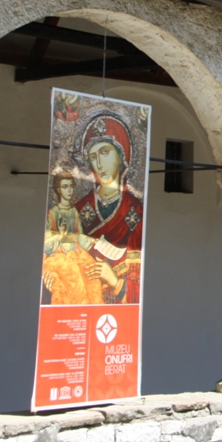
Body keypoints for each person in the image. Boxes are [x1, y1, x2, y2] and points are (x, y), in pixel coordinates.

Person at [73, 114, 144, 304]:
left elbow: (138, 284)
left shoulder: (136, 212)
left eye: (105, 153)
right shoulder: (79, 209)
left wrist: (114, 279)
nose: (99, 164)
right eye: (93, 157)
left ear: (122, 157)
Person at [41, 171, 103, 305]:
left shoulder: (74, 211)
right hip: (56, 257)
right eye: (65, 187)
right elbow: (45, 242)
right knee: (73, 275)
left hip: (75, 253)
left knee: (91, 272)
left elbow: (78, 236)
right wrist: (60, 235)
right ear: (58, 190)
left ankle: (94, 309)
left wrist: (91, 241)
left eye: (71, 186)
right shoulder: (53, 213)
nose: (69, 190)